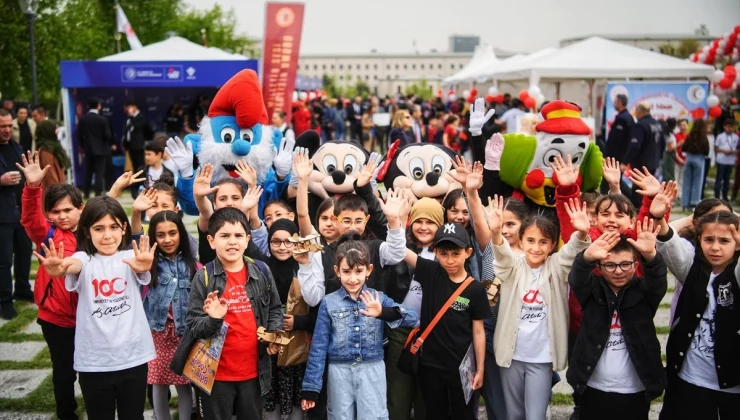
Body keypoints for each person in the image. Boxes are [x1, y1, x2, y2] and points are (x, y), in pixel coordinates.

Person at [36, 196, 157, 420]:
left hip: (133, 358)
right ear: (87, 231)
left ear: (124, 229)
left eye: (113, 227)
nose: (107, 235)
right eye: (98, 228)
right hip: (93, 362)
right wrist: (60, 268)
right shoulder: (84, 258)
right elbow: (72, 264)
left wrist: (144, 266)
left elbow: (142, 268)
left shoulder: (131, 257)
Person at [491, 194, 591, 420]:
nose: (536, 247)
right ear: (521, 240)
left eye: (543, 241)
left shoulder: (556, 266)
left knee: (535, 415)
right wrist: (496, 233)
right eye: (530, 240)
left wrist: (582, 233)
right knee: (514, 413)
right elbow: (502, 255)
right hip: (511, 355)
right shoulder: (513, 267)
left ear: (552, 244)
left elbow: (572, 252)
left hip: (541, 358)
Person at [301, 239, 418, 419]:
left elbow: (413, 318)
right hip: (339, 371)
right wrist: (311, 388)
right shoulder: (328, 302)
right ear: (337, 271)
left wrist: (382, 312)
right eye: (346, 272)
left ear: (369, 270)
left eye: (358, 271)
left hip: (372, 368)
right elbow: (318, 347)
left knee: (373, 416)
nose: (353, 278)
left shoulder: (378, 297)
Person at [184, 207, 283, 420]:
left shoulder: (262, 271)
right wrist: (214, 319)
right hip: (216, 375)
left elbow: (275, 308)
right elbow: (193, 325)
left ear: (247, 240)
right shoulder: (204, 278)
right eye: (225, 236)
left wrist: (274, 333)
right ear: (211, 241)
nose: (232, 242)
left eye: (238, 235)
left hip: (254, 373)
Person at [568, 225, 667, 420]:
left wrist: (652, 257)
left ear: (636, 264)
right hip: (593, 386)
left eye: (625, 264)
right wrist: (587, 257)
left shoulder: (644, 292)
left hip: (635, 389)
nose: (618, 271)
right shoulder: (592, 291)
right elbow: (577, 279)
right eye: (610, 265)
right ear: (599, 268)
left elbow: (657, 279)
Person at [653, 205, 740, 418]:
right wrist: (657, 216)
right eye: (709, 240)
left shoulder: (736, 274)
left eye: (724, 241)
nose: (716, 247)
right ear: (699, 240)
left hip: (732, 385)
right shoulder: (692, 268)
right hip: (690, 378)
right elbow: (668, 243)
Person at [19, 152, 83, 420]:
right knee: (64, 372)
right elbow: (31, 220)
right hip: (55, 319)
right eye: (55, 211)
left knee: (93, 370)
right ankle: (66, 413)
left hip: (89, 317)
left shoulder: (95, 234)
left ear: (81, 209)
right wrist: (33, 188)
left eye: (68, 210)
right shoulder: (47, 234)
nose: (62, 216)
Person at [402, 222, 489, 420]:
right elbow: (400, 249)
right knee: (434, 414)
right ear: (435, 252)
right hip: (430, 366)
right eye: (443, 253)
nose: (449, 260)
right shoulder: (431, 272)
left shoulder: (475, 289)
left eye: (456, 253)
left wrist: (480, 369)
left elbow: (478, 331)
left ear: (468, 252)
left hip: (462, 369)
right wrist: (393, 220)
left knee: (464, 415)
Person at [143, 211, 197, 420]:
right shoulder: (150, 263)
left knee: (184, 383)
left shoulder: (192, 264)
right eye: (161, 235)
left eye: (173, 233)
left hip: (184, 334)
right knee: (159, 382)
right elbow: (135, 236)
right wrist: (138, 213)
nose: (167, 239)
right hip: (158, 332)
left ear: (181, 234)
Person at [0, 108, 33, 320]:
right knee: (3, 260)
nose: (7, 130)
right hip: (1, 214)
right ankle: (5, 301)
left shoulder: (16, 146)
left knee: (24, 251)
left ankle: (22, 288)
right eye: (2, 126)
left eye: (10, 126)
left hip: (20, 211)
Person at [623, 102, 662, 206]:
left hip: (641, 165)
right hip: (653, 162)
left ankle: (638, 210)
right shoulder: (657, 124)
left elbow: (634, 146)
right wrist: (659, 158)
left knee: (639, 190)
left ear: (639, 111)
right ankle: (647, 208)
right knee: (649, 188)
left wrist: (625, 162)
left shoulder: (640, 125)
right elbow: (662, 144)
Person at [78, 98, 114, 198]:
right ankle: (98, 194)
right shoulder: (102, 120)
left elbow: (79, 136)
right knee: (99, 173)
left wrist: (84, 146)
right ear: (98, 106)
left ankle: (86, 193)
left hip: (88, 150)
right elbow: (108, 135)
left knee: (88, 172)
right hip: (102, 151)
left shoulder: (83, 119)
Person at [680, 119, 709, 210]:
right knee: (697, 181)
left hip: (689, 159)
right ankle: (694, 202)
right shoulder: (704, 137)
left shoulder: (689, 136)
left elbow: (684, 148)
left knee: (687, 181)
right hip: (699, 159)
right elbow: (706, 151)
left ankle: (685, 203)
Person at [123, 100, 150, 195]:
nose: (127, 109)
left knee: (140, 166)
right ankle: (135, 185)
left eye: (129, 107)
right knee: (134, 166)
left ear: (135, 107)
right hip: (131, 146)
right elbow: (127, 131)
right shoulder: (129, 118)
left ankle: (142, 185)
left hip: (139, 146)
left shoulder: (140, 117)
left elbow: (138, 126)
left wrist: (131, 115)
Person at [34, 120, 70, 187]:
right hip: (53, 191)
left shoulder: (53, 146)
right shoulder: (46, 150)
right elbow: (50, 174)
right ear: (49, 130)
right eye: (55, 129)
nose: (58, 131)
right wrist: (58, 191)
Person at [605, 94, 634, 164]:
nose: (614, 104)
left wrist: (608, 155)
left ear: (620, 103)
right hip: (621, 156)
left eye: (615, 102)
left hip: (616, 157)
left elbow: (616, 140)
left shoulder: (622, 119)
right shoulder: (629, 117)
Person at [714, 119, 738, 201]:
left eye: (731, 127)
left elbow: (737, 149)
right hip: (721, 160)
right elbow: (716, 148)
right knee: (719, 178)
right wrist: (723, 151)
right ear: (724, 127)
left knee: (727, 179)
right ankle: (716, 196)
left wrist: (732, 151)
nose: (730, 128)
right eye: (728, 127)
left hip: (730, 161)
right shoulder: (720, 136)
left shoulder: (736, 137)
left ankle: (725, 196)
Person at [661, 118, 678, 183]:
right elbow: (670, 147)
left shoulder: (667, 132)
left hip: (668, 154)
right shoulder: (668, 134)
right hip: (669, 155)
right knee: (669, 173)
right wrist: (679, 144)